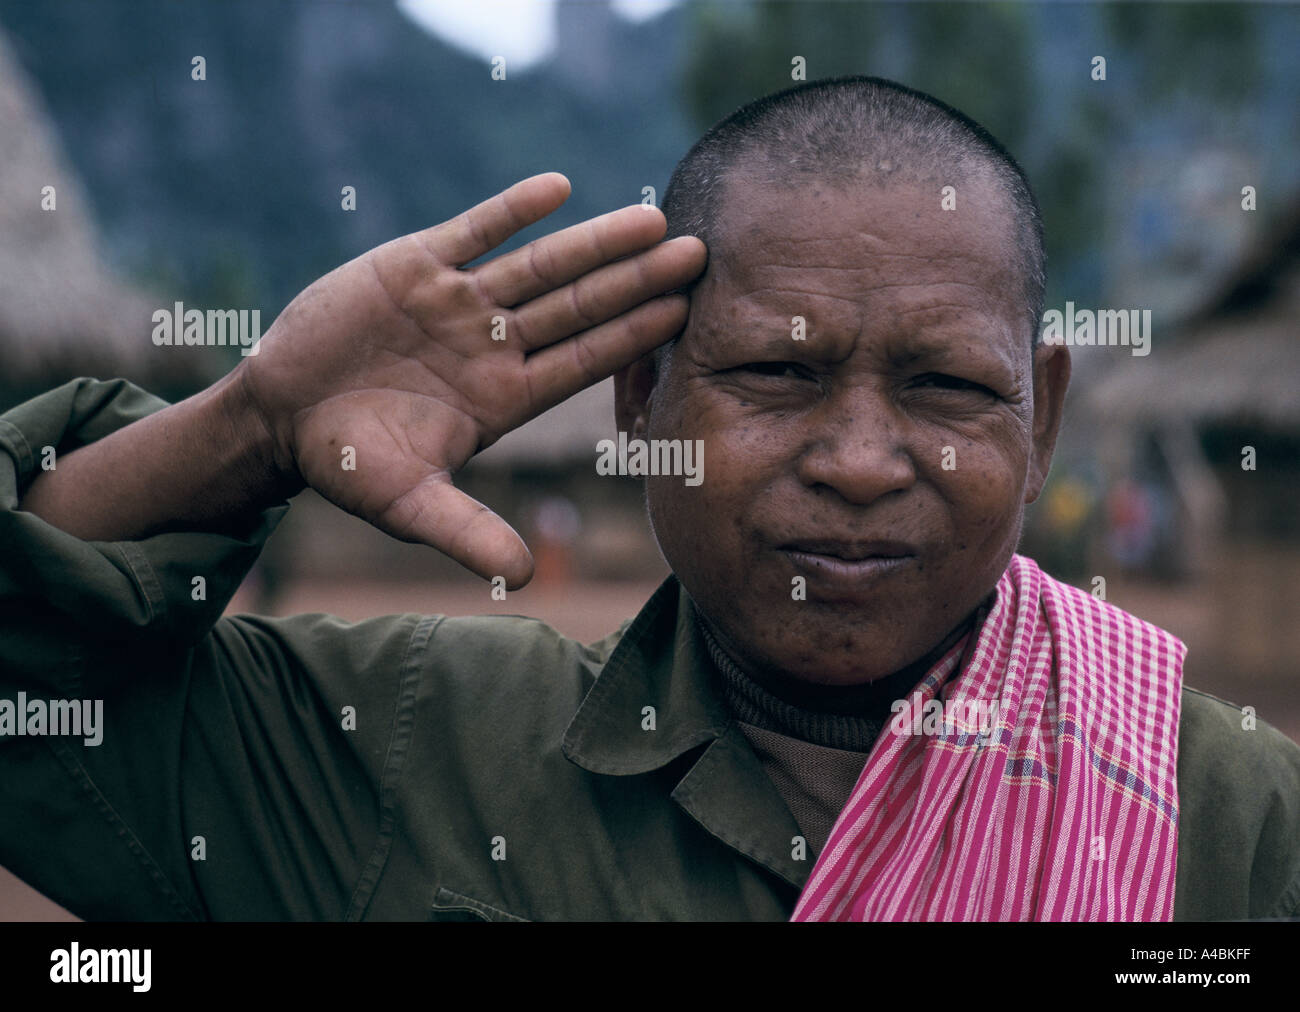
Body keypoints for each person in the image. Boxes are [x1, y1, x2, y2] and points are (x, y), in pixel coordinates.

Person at [2, 76, 1297, 921]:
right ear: (640, 400)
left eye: (945, 384)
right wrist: (250, 428)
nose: (857, 458)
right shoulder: (398, 746)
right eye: (779, 373)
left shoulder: (1232, 820)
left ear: (1044, 417)